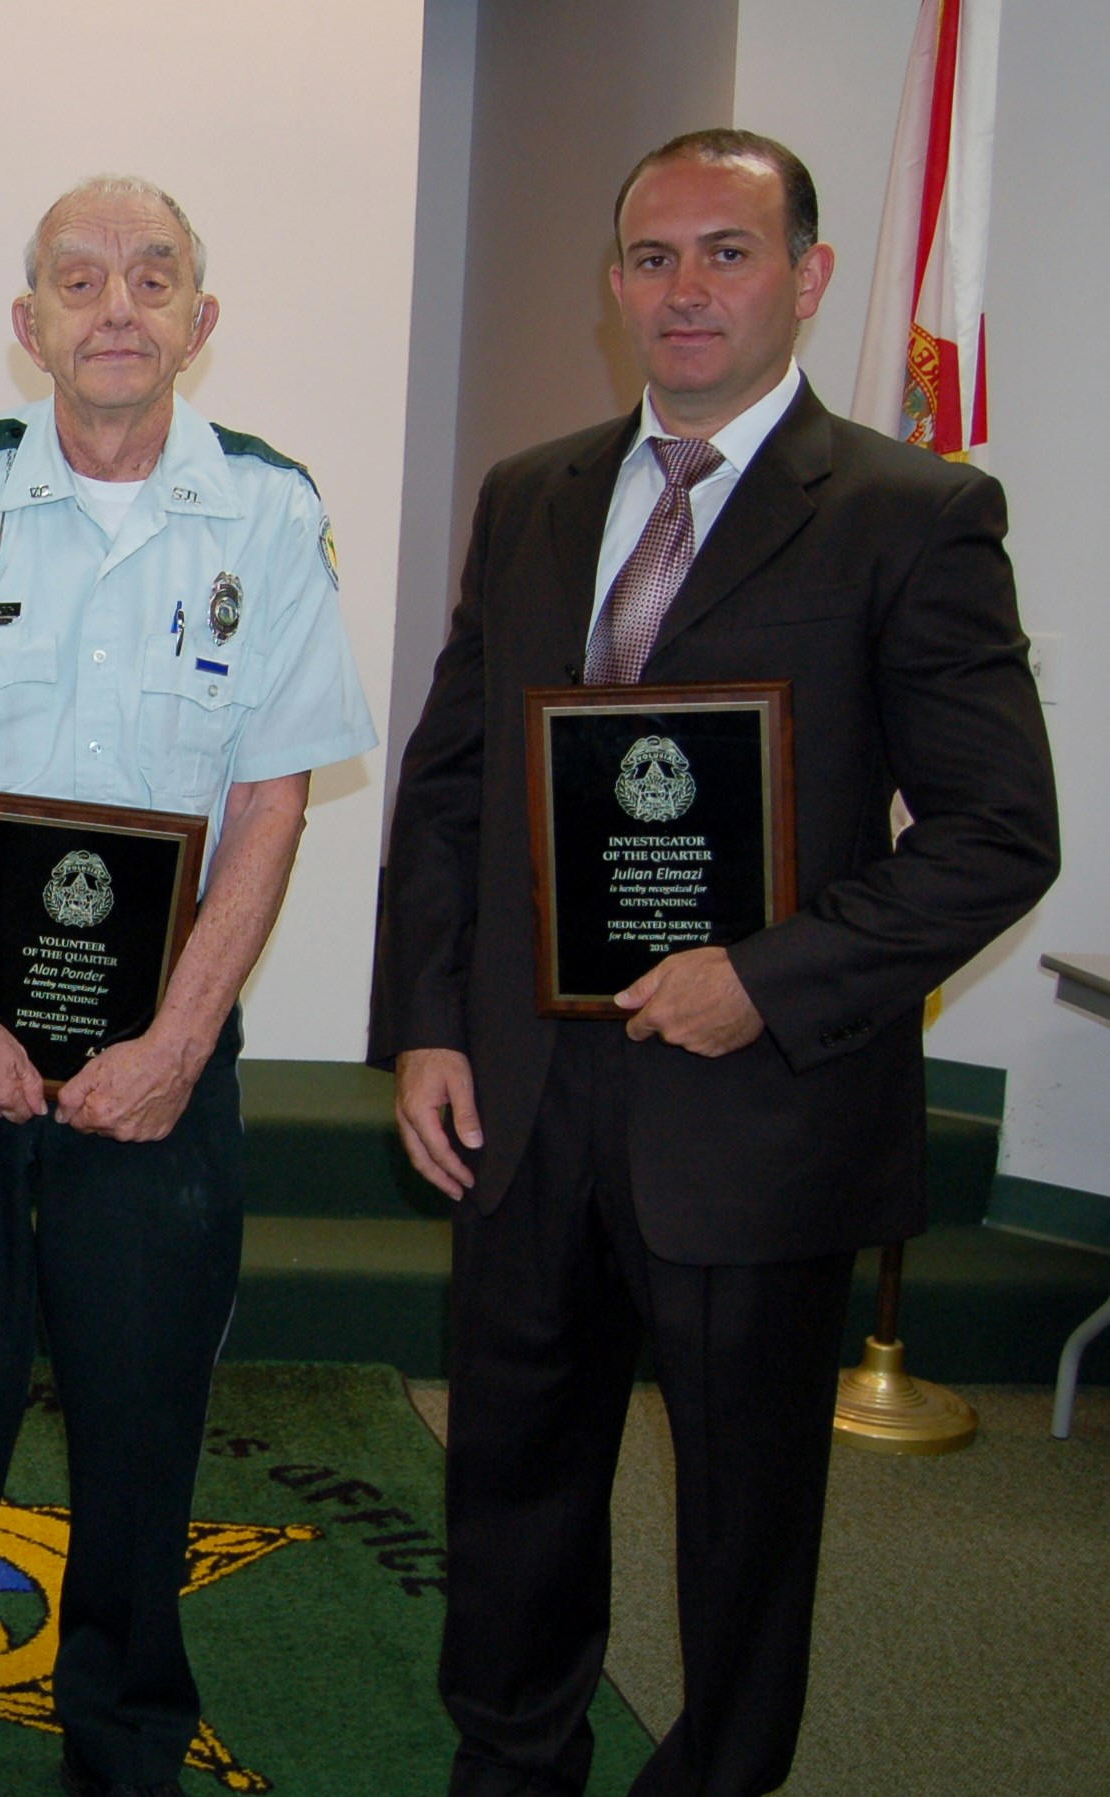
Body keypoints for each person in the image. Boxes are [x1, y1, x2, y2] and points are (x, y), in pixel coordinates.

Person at [376, 130, 1057, 1796]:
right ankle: (514, 1760)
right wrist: (424, 1027)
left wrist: (768, 973)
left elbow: (994, 832)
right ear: (612, 288)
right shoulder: (531, 493)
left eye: (725, 254)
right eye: (651, 259)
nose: (683, 290)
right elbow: (453, 780)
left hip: (753, 1108)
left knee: (744, 1517)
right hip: (526, 1097)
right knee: (512, 1476)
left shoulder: (913, 513)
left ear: (806, 279)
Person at [0, 176, 377, 1797]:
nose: (114, 306)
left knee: (140, 1396)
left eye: (151, 276)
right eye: (78, 279)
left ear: (200, 318)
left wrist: (180, 1041)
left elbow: (268, 801)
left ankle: (125, 1727)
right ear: (26, 321)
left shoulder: (266, 511)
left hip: (159, 1057)